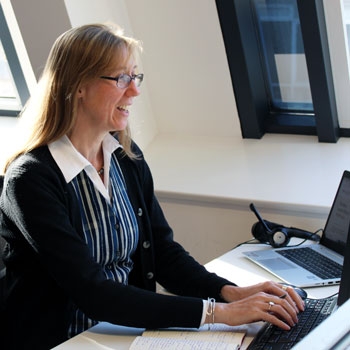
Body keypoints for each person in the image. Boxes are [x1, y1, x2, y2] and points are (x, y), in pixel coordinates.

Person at [0, 23, 304, 350]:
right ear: (79, 86)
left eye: (135, 77)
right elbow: (93, 292)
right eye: (120, 78)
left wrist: (230, 292)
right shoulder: (30, 180)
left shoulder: (126, 158)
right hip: (64, 341)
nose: (134, 91)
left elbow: (162, 254)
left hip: (122, 333)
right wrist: (221, 313)